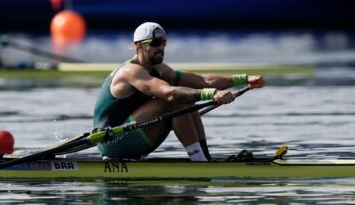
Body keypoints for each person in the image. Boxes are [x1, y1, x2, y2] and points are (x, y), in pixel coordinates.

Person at [93, 22, 266, 161]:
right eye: (154, 43)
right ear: (139, 46)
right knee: (176, 98)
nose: (161, 47)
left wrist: (243, 78)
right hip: (113, 142)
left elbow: (201, 81)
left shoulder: (159, 69)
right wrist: (212, 94)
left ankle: (203, 158)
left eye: (163, 42)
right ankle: (200, 161)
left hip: (134, 134)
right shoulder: (130, 72)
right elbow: (168, 93)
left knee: (187, 96)